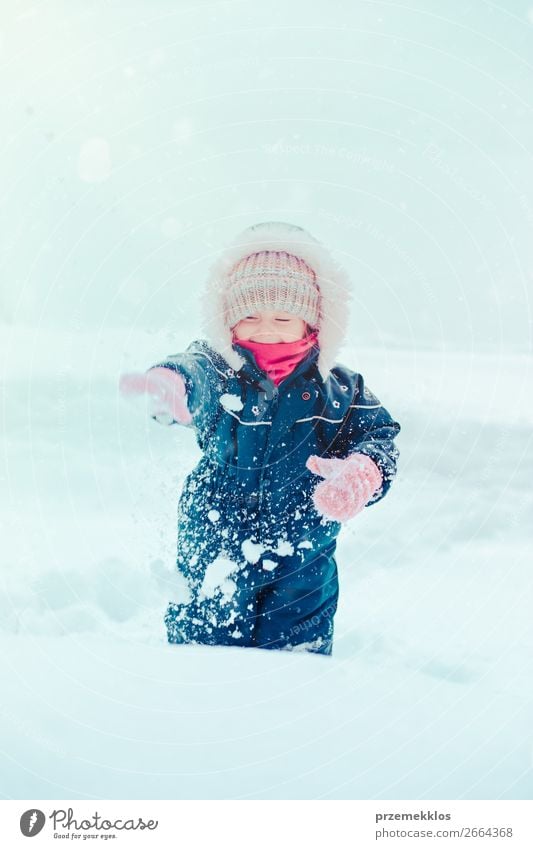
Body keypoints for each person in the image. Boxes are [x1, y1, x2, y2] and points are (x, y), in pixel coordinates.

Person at [119, 221, 401, 656]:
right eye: (250, 316)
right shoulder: (220, 369)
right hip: (215, 540)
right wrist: (176, 385)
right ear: (227, 321)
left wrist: (363, 472)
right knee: (202, 652)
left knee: (294, 666)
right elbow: (195, 372)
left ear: (313, 323)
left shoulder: (339, 390)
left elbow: (379, 436)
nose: (266, 329)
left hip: (303, 549)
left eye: (283, 317)